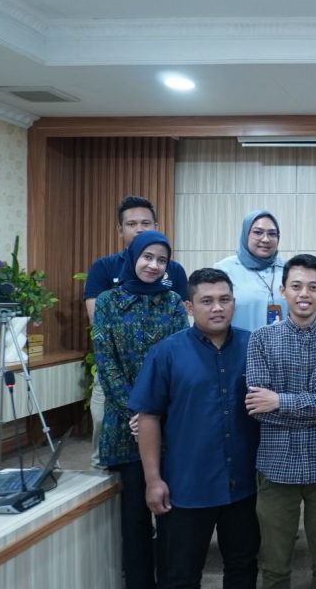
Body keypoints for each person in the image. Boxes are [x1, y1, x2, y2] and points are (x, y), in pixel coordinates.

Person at [130, 268, 260, 589]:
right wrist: (153, 480)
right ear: (189, 307)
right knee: (180, 575)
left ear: (234, 302)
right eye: (207, 301)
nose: (217, 307)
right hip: (187, 488)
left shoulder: (254, 346)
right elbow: (148, 418)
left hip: (243, 485)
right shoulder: (166, 353)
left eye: (224, 299)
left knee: (243, 567)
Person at [244, 254, 316, 588]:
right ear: (283, 290)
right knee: (275, 566)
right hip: (276, 466)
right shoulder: (261, 339)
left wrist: (280, 401)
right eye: (296, 286)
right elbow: (259, 408)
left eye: (313, 287)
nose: (304, 293)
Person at [93, 231, 189, 589]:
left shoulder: (173, 302)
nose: (154, 265)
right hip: (125, 425)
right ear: (133, 257)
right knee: (134, 516)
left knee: (171, 513)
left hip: (168, 424)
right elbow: (106, 362)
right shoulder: (108, 302)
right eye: (147, 257)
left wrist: (155, 415)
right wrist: (137, 413)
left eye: (162, 260)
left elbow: (181, 359)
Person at [83, 195, 188, 469]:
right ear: (120, 229)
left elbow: (179, 334)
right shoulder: (104, 268)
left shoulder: (174, 271)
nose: (139, 229)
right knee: (107, 458)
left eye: (146, 223)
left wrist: (154, 406)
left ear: (156, 225)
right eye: (132, 224)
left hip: (162, 386)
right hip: (115, 379)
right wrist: (136, 408)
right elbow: (100, 327)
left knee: (163, 459)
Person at [214, 209, 287, 333]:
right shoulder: (224, 270)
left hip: (283, 344)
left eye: (272, 234)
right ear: (246, 234)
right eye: (258, 233)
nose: (266, 239)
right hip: (241, 343)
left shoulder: (289, 269)